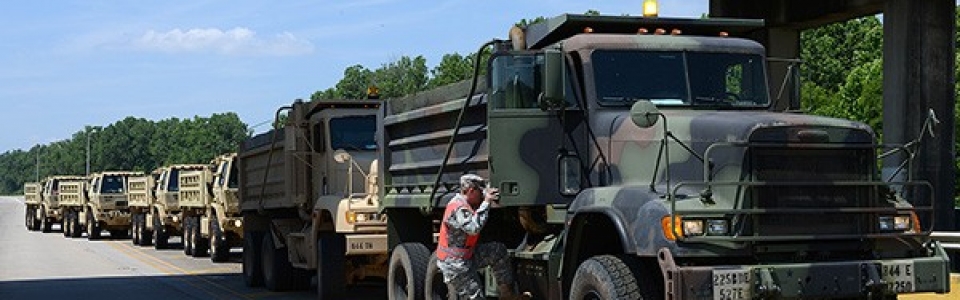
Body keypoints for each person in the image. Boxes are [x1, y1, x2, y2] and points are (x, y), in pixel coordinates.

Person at [436, 174, 523, 300]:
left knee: (497, 251)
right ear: (471, 191)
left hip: (467, 255)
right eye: (480, 192)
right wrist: (487, 202)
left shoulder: (465, 203)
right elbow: (473, 228)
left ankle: (507, 295)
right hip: (455, 263)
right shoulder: (458, 208)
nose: (481, 196)